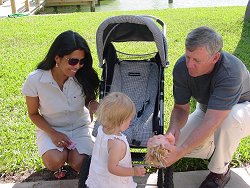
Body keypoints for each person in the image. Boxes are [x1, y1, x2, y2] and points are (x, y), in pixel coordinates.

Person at [163, 26, 250, 188]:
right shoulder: (182, 67)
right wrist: (173, 129)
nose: (189, 65)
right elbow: (181, 108)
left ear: (215, 57)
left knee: (229, 121)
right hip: (207, 108)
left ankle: (220, 171)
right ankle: (217, 148)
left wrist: (181, 151)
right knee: (174, 144)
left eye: (197, 60)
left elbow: (212, 121)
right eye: (188, 57)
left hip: (243, 108)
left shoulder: (231, 72)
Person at [22, 30, 100, 179]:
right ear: (57, 58)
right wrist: (52, 133)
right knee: (54, 161)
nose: (77, 66)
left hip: (80, 126)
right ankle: (62, 156)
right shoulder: (35, 80)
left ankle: (72, 156)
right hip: (51, 127)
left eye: (81, 61)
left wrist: (93, 105)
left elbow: (88, 100)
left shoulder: (84, 76)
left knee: (80, 163)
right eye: (72, 61)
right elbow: (33, 114)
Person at [86, 92, 146, 188]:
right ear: (121, 122)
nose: (130, 123)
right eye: (129, 120)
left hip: (100, 179)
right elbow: (113, 168)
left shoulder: (101, 129)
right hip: (113, 184)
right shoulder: (117, 144)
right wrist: (133, 171)